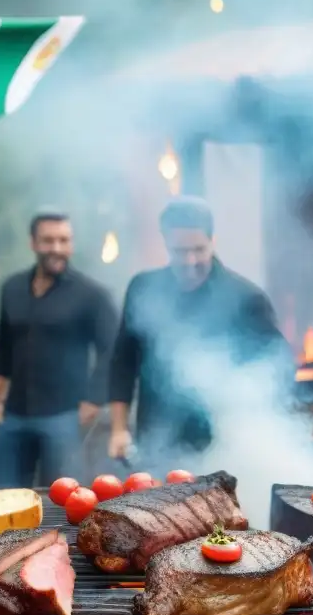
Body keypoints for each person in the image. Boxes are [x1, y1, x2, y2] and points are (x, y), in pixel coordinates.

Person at [108, 196, 295, 469]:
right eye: (179, 251)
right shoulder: (143, 288)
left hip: (222, 447)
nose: (190, 260)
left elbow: (278, 370)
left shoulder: (245, 297)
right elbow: (123, 361)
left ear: (212, 241)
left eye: (198, 249)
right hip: (156, 441)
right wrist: (118, 429)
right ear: (165, 242)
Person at [0, 208, 117, 487]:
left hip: (64, 417)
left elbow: (110, 351)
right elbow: (4, 346)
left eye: (64, 240)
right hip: (13, 416)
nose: (56, 248)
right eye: (48, 240)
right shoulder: (12, 288)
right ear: (33, 243)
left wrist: (93, 401)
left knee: (62, 502)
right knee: (2, 498)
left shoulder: (92, 294)